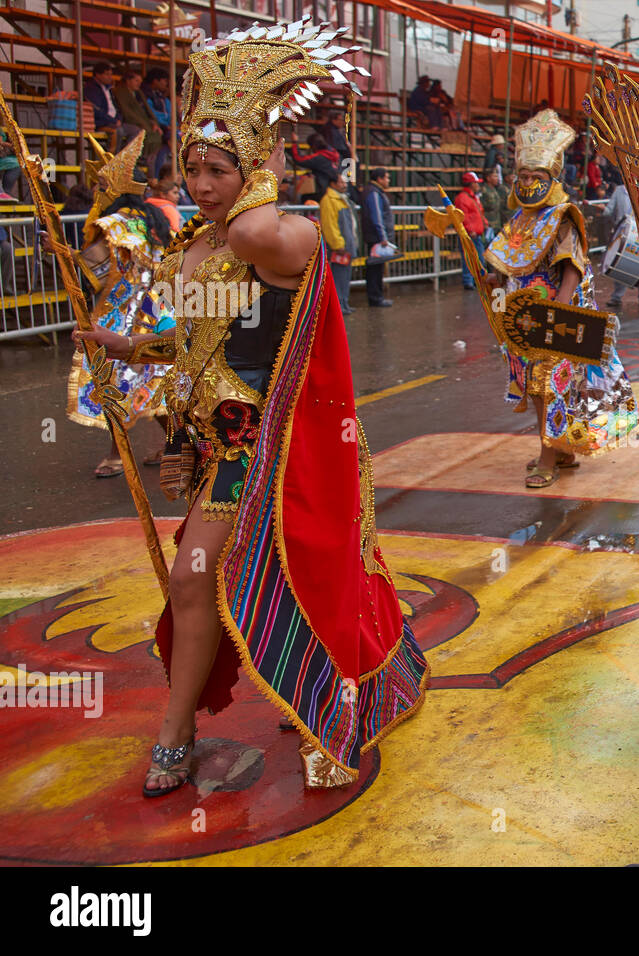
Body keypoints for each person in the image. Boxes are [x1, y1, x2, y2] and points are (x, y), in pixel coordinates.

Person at [71, 21, 428, 795]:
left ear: (255, 168)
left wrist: (261, 152)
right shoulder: (190, 253)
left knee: (249, 577)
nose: (200, 184)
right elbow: (191, 346)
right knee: (207, 581)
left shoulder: (278, 236)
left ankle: (293, 713)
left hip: (283, 448)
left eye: (218, 169)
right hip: (220, 452)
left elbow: (262, 229)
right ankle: (187, 725)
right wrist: (123, 345)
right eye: (190, 168)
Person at [482, 109, 639, 488]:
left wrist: (558, 308)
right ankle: (560, 450)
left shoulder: (562, 215)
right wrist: (495, 282)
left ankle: (547, 458)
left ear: (551, 177)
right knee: (534, 387)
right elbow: (509, 261)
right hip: (520, 316)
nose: (529, 182)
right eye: (523, 175)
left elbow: (571, 264)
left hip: (550, 315)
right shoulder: (518, 218)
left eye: (537, 176)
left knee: (551, 386)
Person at [65, 133, 173, 478]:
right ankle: (177, 445)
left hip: (125, 316)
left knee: (115, 379)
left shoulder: (114, 223)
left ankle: (117, 454)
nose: (98, 192)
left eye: (100, 185)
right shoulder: (150, 220)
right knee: (154, 380)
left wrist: (67, 255)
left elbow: (99, 270)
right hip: (157, 309)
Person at [602, 173, 639, 309]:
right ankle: (617, 296)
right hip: (623, 232)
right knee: (619, 263)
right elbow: (609, 210)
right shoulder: (619, 191)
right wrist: (604, 211)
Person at [320, 171, 359, 313]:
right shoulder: (329, 200)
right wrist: (338, 245)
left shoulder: (341, 199)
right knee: (339, 277)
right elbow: (329, 225)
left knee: (345, 276)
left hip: (347, 244)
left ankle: (344, 303)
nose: (345, 185)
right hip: (340, 247)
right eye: (341, 182)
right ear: (333, 184)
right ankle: (339, 306)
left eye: (345, 182)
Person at [114, 68, 163, 167]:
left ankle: (145, 160)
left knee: (156, 134)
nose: (138, 84)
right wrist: (143, 124)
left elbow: (147, 111)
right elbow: (127, 111)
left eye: (140, 81)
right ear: (128, 80)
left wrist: (153, 123)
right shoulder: (120, 92)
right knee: (141, 132)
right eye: (136, 81)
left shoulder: (138, 93)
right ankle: (130, 160)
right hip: (128, 122)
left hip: (144, 122)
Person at [361, 167, 395, 307]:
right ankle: (376, 297)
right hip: (376, 238)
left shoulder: (374, 191)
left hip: (375, 236)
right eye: (386, 177)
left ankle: (377, 296)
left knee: (377, 268)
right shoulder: (373, 193)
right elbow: (377, 216)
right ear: (379, 179)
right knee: (375, 269)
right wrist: (383, 236)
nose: (388, 180)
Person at [85, 62, 140, 148]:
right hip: (101, 123)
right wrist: (113, 121)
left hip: (114, 122)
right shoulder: (91, 88)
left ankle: (125, 157)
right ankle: (113, 159)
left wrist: (118, 119)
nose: (110, 77)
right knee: (118, 131)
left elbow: (117, 108)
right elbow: (96, 110)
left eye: (111, 74)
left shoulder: (109, 89)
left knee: (136, 131)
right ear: (97, 75)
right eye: (107, 74)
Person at [453, 170, 487, 290]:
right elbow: (463, 217)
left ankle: (475, 281)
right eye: (476, 183)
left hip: (475, 233)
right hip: (470, 234)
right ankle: (469, 281)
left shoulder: (471, 197)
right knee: (470, 258)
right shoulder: (463, 198)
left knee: (477, 258)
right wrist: (470, 229)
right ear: (471, 184)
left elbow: (478, 213)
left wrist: (485, 224)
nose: (478, 185)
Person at [287, 132, 340, 201]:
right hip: (333, 190)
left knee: (305, 198)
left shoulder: (320, 158)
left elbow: (298, 159)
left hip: (322, 192)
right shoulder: (333, 155)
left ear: (313, 146)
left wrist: (294, 142)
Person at [142, 68, 174, 178]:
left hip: (166, 126)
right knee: (170, 139)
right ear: (155, 81)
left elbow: (170, 114)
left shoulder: (161, 97)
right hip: (157, 126)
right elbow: (151, 113)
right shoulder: (146, 95)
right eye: (164, 81)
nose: (166, 84)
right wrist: (165, 124)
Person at [479, 167, 509, 242]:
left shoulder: (495, 190)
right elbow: (480, 208)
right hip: (488, 224)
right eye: (495, 176)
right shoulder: (483, 190)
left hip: (497, 223)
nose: (497, 179)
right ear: (488, 178)